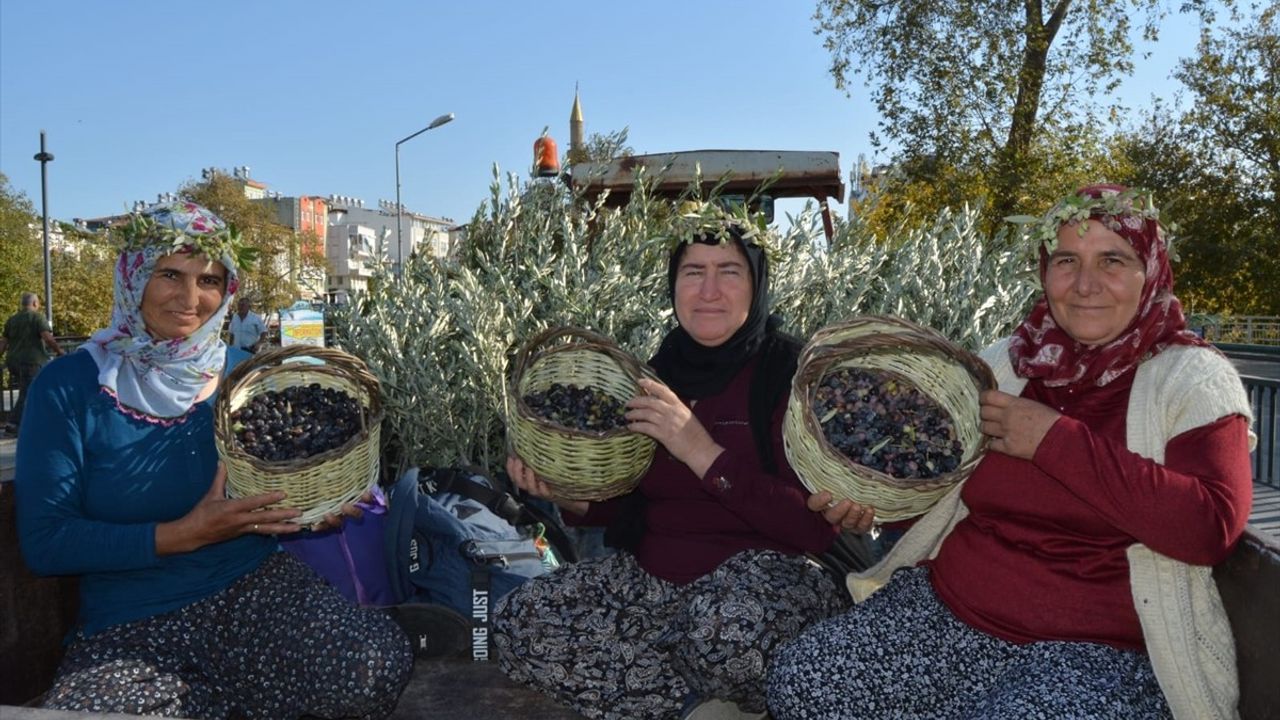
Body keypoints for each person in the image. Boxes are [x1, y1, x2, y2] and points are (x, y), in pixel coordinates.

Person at [767, 184, 1256, 720]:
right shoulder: (1009, 363)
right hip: (950, 612)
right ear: (1046, 274)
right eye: (1067, 260)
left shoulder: (1191, 378)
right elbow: (935, 474)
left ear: (1151, 272)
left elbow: (1210, 528)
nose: (1086, 284)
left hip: (1097, 655)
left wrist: (1054, 441)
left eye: (1113, 260)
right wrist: (871, 508)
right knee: (804, 679)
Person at [14, 201, 413, 719]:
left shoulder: (247, 378)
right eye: (170, 275)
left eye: (210, 281)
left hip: (252, 592)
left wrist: (310, 511)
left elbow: (283, 483)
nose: (190, 298)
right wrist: (184, 533)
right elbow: (47, 543)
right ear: (133, 276)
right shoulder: (69, 386)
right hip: (133, 620)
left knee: (370, 668)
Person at [494, 215, 875, 720]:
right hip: (660, 581)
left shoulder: (793, 376)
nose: (709, 290)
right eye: (693, 272)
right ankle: (695, 709)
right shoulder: (655, 374)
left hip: (766, 586)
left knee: (722, 634)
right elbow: (633, 501)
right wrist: (564, 495)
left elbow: (811, 526)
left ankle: (716, 692)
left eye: (729, 271)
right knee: (520, 621)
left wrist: (699, 448)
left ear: (757, 284)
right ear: (674, 286)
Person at [0, 292, 64, 435]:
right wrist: (59, 351)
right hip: (32, 361)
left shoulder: (12, 320)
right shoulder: (37, 318)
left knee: (34, 389)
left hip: (13, 362)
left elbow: (3, 342)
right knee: (28, 392)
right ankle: (13, 425)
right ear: (35, 303)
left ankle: (37, 421)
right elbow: (47, 338)